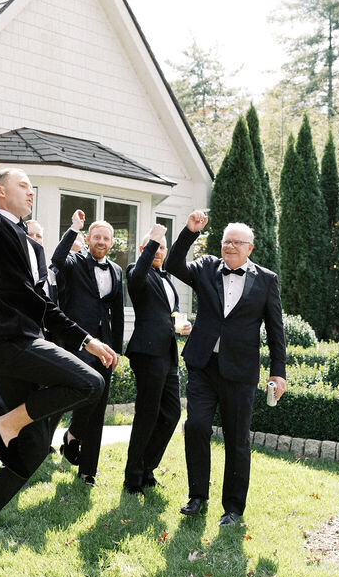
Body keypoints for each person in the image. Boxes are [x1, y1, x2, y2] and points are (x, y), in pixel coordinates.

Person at [0, 158, 117, 577]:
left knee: (32, 452)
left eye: (31, 187)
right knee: (90, 382)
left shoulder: (32, 243)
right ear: (0, 192)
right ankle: (5, 423)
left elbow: (43, 304)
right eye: (22, 185)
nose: (30, 191)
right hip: (7, 342)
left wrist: (87, 340)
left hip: (28, 339)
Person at [165, 211, 286, 527]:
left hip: (240, 372)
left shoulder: (266, 280)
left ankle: (233, 508)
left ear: (250, 248)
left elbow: (276, 330)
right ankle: (197, 497)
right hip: (203, 365)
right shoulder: (205, 267)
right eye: (226, 241)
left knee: (237, 439)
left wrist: (278, 371)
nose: (230, 246)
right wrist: (189, 232)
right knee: (197, 427)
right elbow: (172, 264)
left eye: (237, 242)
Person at [50, 212, 125, 486]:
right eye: (96, 237)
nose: (101, 241)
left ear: (112, 242)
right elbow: (56, 260)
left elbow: (116, 311)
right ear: (89, 240)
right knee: (82, 393)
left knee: (100, 401)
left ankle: (87, 470)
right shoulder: (75, 262)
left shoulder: (116, 271)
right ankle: (65, 436)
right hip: (77, 340)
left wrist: (116, 350)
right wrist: (73, 230)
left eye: (106, 238)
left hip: (104, 344)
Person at [122, 223, 191, 494]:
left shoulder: (167, 280)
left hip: (168, 353)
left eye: (162, 247)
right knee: (147, 414)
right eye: (155, 247)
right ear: (144, 249)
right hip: (147, 352)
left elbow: (168, 313)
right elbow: (139, 274)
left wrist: (179, 325)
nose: (160, 251)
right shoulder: (136, 273)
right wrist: (152, 239)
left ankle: (147, 466)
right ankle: (133, 476)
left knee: (172, 412)